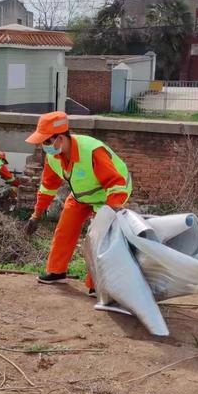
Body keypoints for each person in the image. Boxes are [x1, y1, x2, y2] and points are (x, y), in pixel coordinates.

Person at [24, 111, 132, 291]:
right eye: (43, 142)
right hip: (81, 196)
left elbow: (116, 184)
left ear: (61, 137)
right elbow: (47, 188)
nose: (44, 146)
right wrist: (36, 215)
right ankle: (56, 272)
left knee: (99, 238)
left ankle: (96, 283)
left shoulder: (92, 151)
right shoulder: (53, 157)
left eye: (47, 141)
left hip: (110, 195)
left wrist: (109, 214)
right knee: (64, 229)